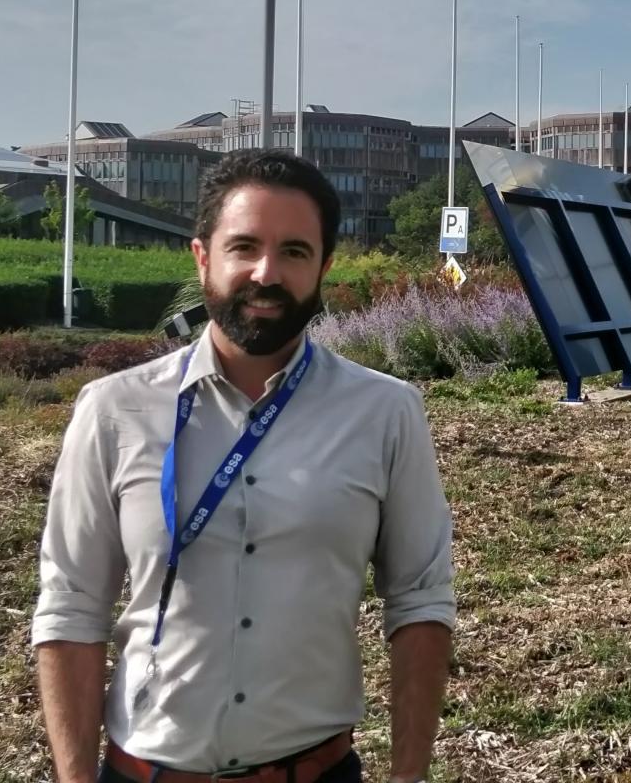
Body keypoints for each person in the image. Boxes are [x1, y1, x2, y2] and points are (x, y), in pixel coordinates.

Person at [32, 150, 455, 783]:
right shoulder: (115, 410)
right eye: (244, 246)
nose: (266, 272)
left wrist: (410, 775)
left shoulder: (385, 412)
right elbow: (71, 606)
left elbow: (420, 601)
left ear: (323, 266)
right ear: (203, 256)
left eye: (294, 251)